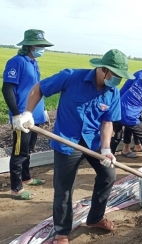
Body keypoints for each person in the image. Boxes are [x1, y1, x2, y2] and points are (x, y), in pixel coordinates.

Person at [14, 49, 134, 244]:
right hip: (66, 142)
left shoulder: (112, 92)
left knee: (108, 175)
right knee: (64, 189)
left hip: (93, 143)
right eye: (116, 75)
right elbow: (39, 88)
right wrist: (27, 112)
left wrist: (106, 149)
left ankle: (95, 217)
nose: (118, 80)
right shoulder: (71, 77)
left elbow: (107, 122)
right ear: (104, 69)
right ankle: (61, 232)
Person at [1, 29, 53, 200]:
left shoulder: (33, 63)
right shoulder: (17, 62)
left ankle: (26, 177)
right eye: (40, 45)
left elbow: (35, 89)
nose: (42, 49)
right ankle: (16, 188)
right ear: (30, 46)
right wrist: (16, 115)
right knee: (19, 152)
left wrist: (42, 110)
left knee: (28, 150)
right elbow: (7, 88)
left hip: (33, 116)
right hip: (22, 118)